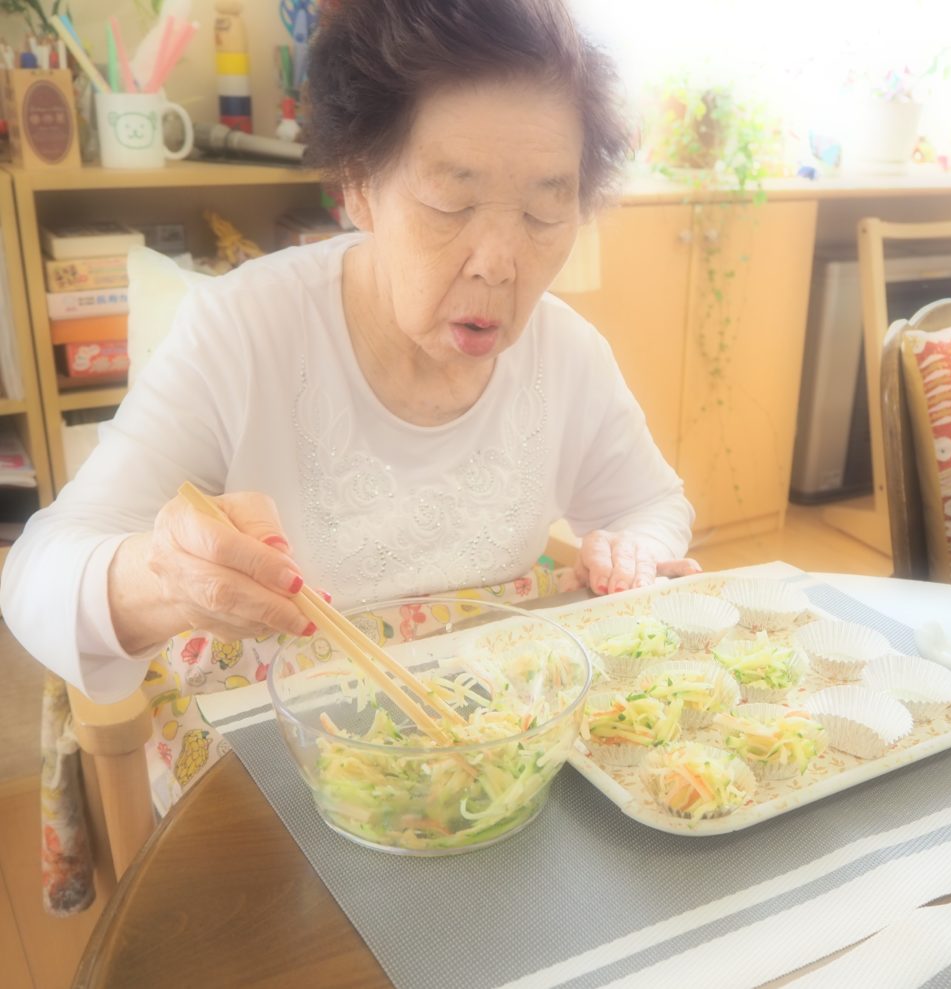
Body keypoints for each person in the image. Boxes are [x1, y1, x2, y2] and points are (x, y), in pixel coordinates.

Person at [1, 0, 697, 808]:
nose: (500, 264)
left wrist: (632, 551)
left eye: (545, 212)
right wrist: (161, 576)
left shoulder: (567, 354)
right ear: (359, 186)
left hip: (490, 748)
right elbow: (38, 570)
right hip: (278, 764)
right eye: (453, 202)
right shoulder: (245, 329)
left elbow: (652, 504)